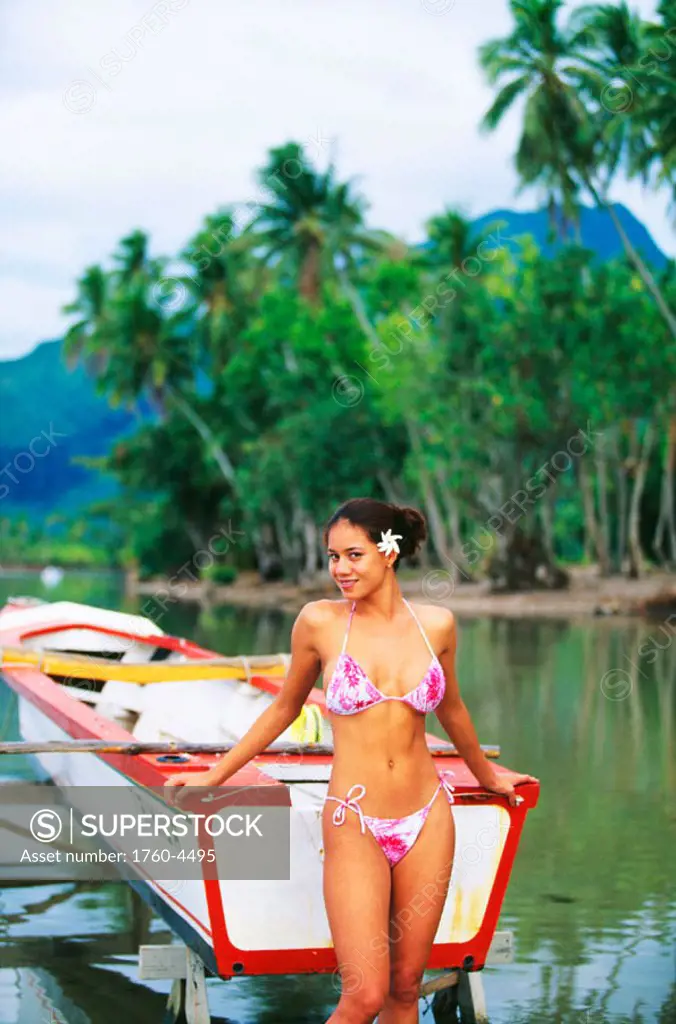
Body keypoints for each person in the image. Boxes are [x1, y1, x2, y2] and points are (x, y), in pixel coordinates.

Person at [166, 497, 535, 1024]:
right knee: (363, 996)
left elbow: (452, 710)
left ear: (389, 552)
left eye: (353, 554)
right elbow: (284, 709)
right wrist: (215, 773)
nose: (340, 569)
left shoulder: (438, 625)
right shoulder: (319, 622)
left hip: (428, 815)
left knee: (406, 989)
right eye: (333, 556)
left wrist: (488, 775)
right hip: (354, 818)